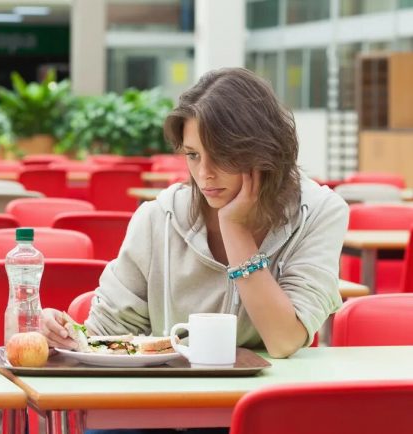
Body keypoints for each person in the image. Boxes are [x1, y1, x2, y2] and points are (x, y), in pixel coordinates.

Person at [41, 67, 349, 359]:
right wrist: (62, 333)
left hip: (268, 405)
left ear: (264, 152)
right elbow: (105, 335)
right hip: (171, 409)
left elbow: (284, 340)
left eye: (222, 156)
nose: (204, 174)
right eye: (193, 155)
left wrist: (235, 230)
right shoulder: (158, 217)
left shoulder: (319, 212)